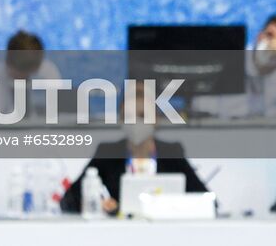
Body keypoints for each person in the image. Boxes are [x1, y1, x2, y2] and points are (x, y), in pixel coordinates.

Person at [59, 82, 208, 215]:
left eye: (142, 115)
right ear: (120, 119)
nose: (135, 122)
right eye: (128, 116)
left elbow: (207, 202)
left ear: (156, 119)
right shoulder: (107, 153)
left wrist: (174, 206)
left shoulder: (172, 153)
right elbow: (68, 201)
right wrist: (99, 203)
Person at [192, 13, 276, 120]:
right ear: (259, 36)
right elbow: (198, 106)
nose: (273, 44)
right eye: (269, 35)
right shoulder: (230, 64)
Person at [0, 30, 64, 120]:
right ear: (8, 63)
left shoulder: (48, 73)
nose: (25, 77)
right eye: (22, 72)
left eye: (30, 72)